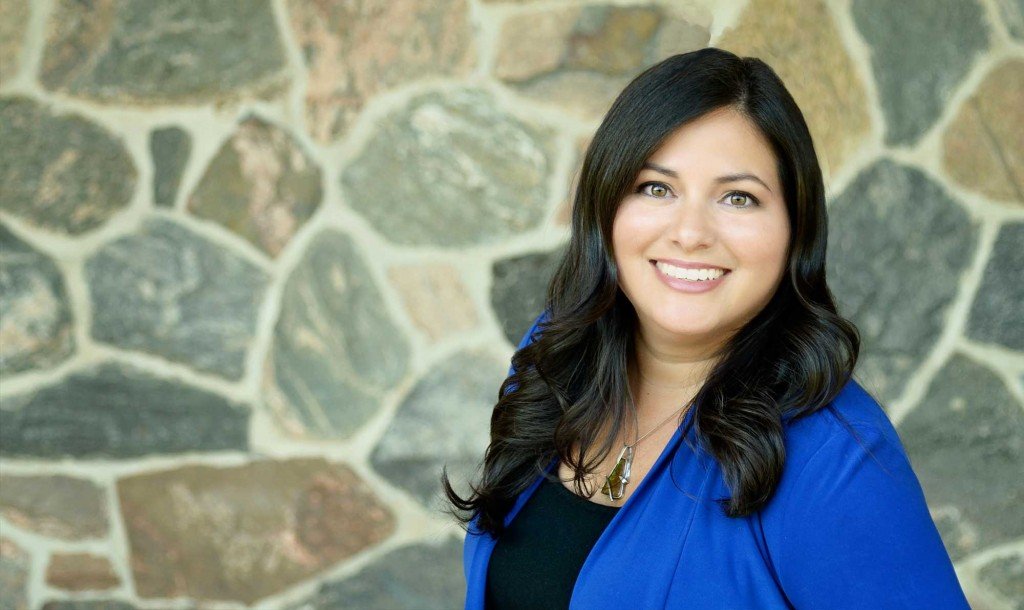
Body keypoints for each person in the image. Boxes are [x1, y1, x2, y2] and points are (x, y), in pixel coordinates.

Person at [441, 47, 970, 609]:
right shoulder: (555, 352)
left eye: (738, 198)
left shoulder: (834, 460)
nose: (690, 233)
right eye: (655, 188)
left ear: (795, 229)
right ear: (605, 205)